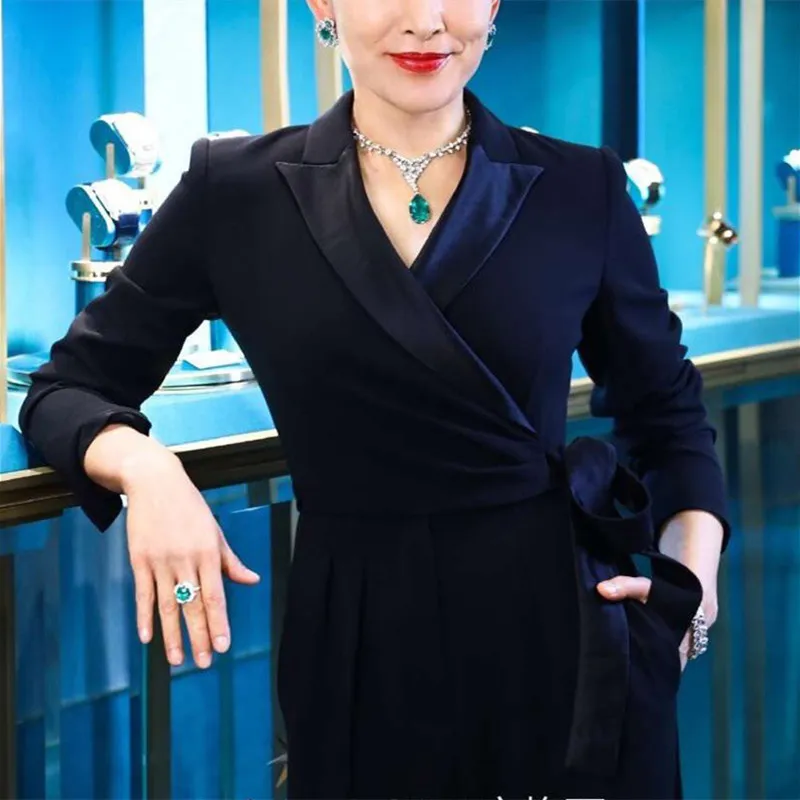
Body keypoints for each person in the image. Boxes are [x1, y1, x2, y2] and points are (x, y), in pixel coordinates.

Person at [19, 0, 729, 797]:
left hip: (568, 644)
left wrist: (689, 599)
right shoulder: (234, 190)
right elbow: (66, 387)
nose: (426, 20)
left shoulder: (581, 186)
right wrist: (149, 471)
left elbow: (669, 420)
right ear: (324, 5)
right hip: (357, 648)